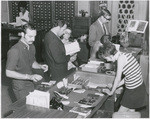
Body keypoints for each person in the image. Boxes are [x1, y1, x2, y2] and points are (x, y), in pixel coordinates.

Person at [100, 42, 146, 112]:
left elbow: (118, 78)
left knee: (119, 115)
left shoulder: (120, 59)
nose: (107, 60)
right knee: (131, 112)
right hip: (138, 87)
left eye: (106, 58)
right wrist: (115, 86)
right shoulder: (124, 54)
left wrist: (111, 92)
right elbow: (128, 76)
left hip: (133, 90)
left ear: (111, 56)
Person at [6, 24, 48, 100]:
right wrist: (29, 77)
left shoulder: (31, 46)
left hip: (30, 82)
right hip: (20, 85)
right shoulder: (15, 50)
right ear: (22, 34)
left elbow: (32, 62)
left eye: (34, 36)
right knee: (25, 109)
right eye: (30, 36)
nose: (33, 39)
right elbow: (8, 72)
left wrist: (39, 66)